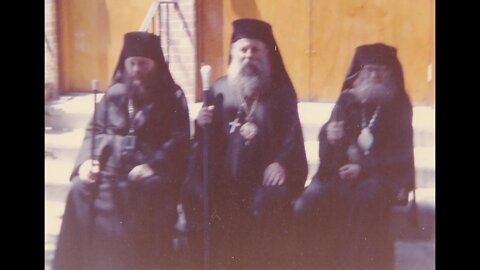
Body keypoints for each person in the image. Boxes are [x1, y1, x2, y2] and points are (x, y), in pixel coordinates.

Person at [53, 31, 190, 270]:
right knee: (79, 189)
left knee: (147, 192)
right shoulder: (114, 94)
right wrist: (88, 162)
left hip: (150, 173)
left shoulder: (173, 96)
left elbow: (179, 139)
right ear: (125, 64)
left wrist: (154, 166)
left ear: (156, 65)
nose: (137, 69)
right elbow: (93, 130)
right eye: (132, 63)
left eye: (143, 64)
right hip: (110, 170)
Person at [181, 18, 308, 269]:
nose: (249, 55)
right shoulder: (219, 88)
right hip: (226, 177)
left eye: (255, 49)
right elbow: (207, 143)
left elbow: (293, 133)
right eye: (244, 49)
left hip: (264, 177)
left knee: (269, 202)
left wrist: (282, 163)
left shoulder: (281, 90)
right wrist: (203, 124)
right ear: (234, 53)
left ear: (266, 53)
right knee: (197, 193)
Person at [292, 43, 415, 270]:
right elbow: (328, 145)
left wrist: (364, 169)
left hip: (382, 177)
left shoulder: (399, 104)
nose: (375, 75)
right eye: (369, 69)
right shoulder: (348, 99)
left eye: (381, 70)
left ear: (390, 72)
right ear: (360, 72)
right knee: (306, 204)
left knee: (364, 197)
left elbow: (401, 154)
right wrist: (330, 136)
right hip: (343, 173)